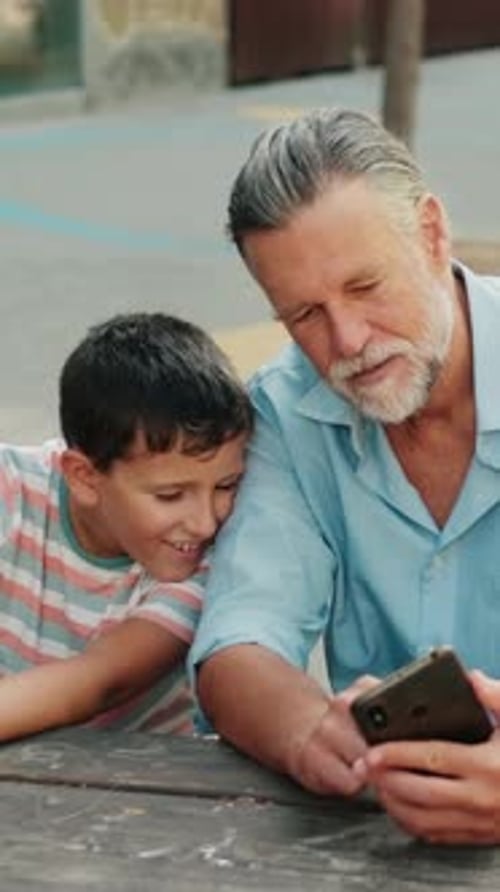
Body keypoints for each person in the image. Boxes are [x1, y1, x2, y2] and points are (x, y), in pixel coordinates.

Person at [191, 107, 500, 845]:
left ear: (430, 234)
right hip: (380, 840)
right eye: (303, 314)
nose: (347, 342)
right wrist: (308, 732)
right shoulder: (289, 408)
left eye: (365, 287)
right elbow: (237, 644)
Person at [0, 312, 252, 740]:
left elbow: (100, 681)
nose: (204, 521)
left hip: (138, 787)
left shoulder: (211, 560)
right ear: (83, 477)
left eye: (226, 485)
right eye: (170, 495)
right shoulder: (12, 488)